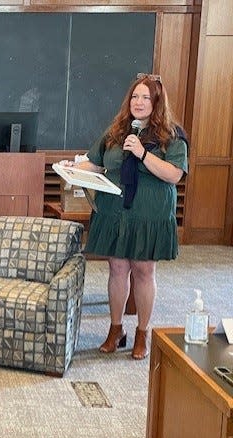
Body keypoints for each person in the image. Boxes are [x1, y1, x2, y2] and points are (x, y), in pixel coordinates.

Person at [65, 73, 188, 360]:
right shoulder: (117, 130)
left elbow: (174, 175)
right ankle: (116, 329)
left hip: (149, 215)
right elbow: (96, 164)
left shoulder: (172, 135)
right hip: (114, 211)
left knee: (144, 271)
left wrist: (143, 153)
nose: (139, 102)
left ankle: (142, 333)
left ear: (157, 103)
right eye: (135, 96)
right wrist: (72, 167)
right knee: (117, 269)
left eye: (146, 97)